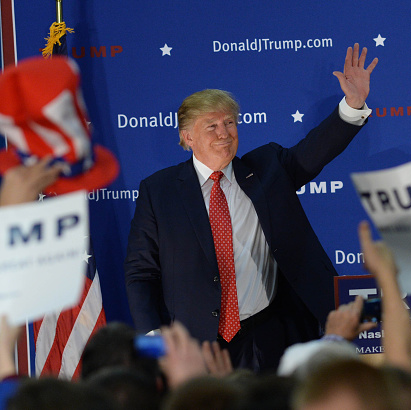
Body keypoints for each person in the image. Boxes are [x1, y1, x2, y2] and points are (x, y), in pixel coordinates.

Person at [124, 43, 378, 373]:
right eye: (211, 126)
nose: (224, 133)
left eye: (230, 123)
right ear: (187, 138)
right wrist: (155, 343)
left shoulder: (268, 167)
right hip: (198, 345)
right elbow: (140, 273)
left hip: (272, 329)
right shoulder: (158, 191)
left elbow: (317, 150)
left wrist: (353, 104)